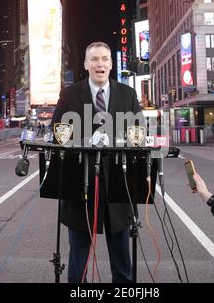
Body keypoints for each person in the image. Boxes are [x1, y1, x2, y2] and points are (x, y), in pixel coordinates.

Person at [51, 41, 142, 283]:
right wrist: (82, 139)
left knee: (123, 263)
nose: (99, 63)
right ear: (85, 64)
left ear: (111, 64)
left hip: (119, 189)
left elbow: (139, 133)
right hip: (79, 187)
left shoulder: (128, 94)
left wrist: (126, 140)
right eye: (94, 59)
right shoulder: (70, 94)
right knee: (78, 262)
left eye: (104, 59)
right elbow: (58, 132)